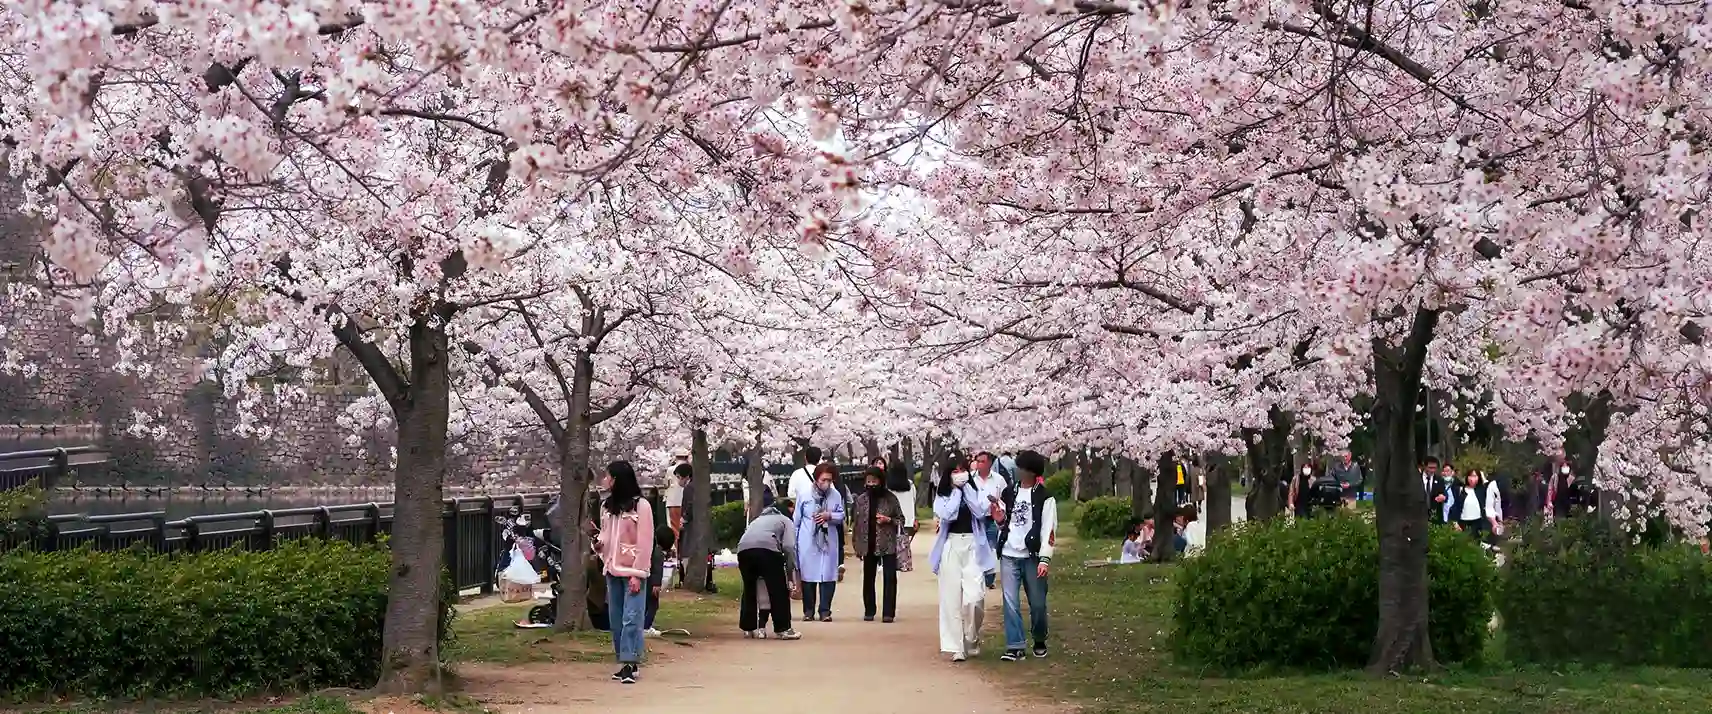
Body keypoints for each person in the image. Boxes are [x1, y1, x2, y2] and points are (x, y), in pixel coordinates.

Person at [930, 451, 995, 662]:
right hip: (951, 545)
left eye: (962, 470)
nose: (959, 474)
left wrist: (966, 488)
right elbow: (948, 514)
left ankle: (971, 637)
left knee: (974, 598)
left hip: (973, 545)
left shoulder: (974, 491)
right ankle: (956, 645)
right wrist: (956, 491)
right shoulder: (942, 496)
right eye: (954, 471)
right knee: (951, 599)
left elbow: (980, 511)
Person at [595, 461, 653, 684]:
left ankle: (629, 663)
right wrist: (597, 543)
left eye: (608, 476)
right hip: (612, 569)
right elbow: (606, 537)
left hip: (632, 571)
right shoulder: (606, 506)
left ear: (617, 479)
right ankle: (627, 661)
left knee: (632, 618)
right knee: (617, 619)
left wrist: (638, 573)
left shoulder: (642, 506)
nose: (605, 481)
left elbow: (645, 541)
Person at [996, 450, 1056, 661]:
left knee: (1037, 603)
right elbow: (1004, 523)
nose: (1019, 471)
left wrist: (1045, 559)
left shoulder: (1045, 497)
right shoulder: (1009, 492)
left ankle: (1039, 639)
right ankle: (1015, 645)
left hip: (1032, 555)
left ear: (1031, 471)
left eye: (1022, 468)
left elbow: (1048, 529)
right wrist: (999, 518)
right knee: (1010, 601)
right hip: (1009, 553)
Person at [736, 500, 803, 640]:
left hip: (743, 550)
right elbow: (789, 547)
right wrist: (791, 573)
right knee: (778, 589)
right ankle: (783, 628)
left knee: (749, 589)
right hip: (767, 550)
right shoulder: (785, 520)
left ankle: (749, 628)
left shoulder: (757, 520)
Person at [852, 466, 904, 622]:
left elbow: (901, 520)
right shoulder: (861, 500)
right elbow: (856, 523)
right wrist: (856, 543)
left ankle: (888, 612)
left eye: (874, 481)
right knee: (868, 578)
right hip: (867, 543)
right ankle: (869, 610)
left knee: (890, 578)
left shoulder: (891, 499)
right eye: (868, 481)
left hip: (887, 543)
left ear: (881, 481)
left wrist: (888, 520)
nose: (871, 484)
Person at [794, 462, 845, 622]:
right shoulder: (804, 494)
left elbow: (841, 515)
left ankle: (825, 611)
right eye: (824, 480)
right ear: (816, 479)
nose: (827, 483)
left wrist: (829, 516)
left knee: (828, 575)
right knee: (808, 576)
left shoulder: (835, 495)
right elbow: (797, 519)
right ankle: (808, 611)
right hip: (808, 538)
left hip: (828, 538)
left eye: (830, 480)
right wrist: (794, 541)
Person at [971, 451, 1009, 589]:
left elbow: (1005, 498)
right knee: (977, 547)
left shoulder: (999, 480)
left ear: (989, 463)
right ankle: (978, 575)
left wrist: (999, 507)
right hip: (975, 519)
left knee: (991, 547)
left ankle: (989, 578)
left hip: (992, 518)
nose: (978, 464)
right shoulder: (971, 479)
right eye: (977, 461)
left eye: (982, 461)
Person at [1446, 469, 1503, 540]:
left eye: (1475, 476)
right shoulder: (1460, 490)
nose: (1472, 478)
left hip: (1477, 522)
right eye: (1470, 476)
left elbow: (1489, 485)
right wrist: (1455, 522)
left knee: (1476, 544)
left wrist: (1483, 477)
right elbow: (1455, 507)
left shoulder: (1482, 490)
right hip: (1463, 522)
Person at [887, 461, 918, 572]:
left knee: (892, 542)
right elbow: (913, 500)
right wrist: (914, 518)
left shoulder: (889, 487)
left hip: (893, 518)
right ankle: (904, 563)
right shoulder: (910, 485)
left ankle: (893, 562)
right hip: (908, 518)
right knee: (904, 542)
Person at [644, 525, 673, 637]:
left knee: (647, 605)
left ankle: (644, 626)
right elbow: (657, 569)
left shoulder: (652, 548)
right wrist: (656, 584)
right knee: (652, 606)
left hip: (647, 581)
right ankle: (646, 627)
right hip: (652, 584)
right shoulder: (658, 553)